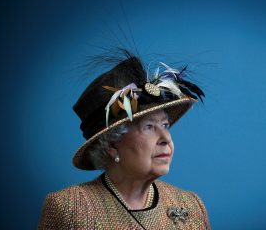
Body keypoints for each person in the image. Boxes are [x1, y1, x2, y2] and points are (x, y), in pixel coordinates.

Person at [38, 52, 210, 229]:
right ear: (112, 144)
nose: (166, 139)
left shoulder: (192, 206)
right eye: (149, 127)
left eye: (165, 125)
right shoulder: (70, 208)